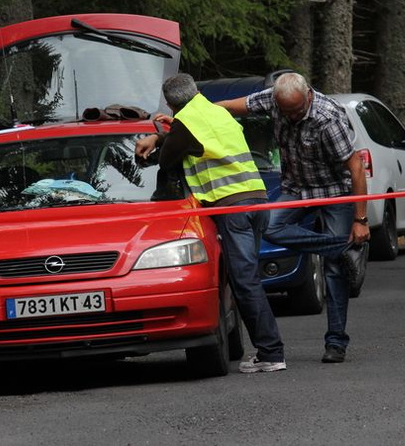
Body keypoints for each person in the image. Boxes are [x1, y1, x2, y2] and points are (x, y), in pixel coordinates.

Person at [135, 73, 286, 374]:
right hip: (256, 200)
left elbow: (166, 161)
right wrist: (167, 132)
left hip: (232, 208)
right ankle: (263, 350)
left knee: (245, 282)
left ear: (170, 102)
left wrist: (161, 135)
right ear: (195, 91)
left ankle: (271, 352)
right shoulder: (215, 111)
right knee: (246, 279)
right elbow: (193, 139)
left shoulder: (186, 122)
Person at [217, 71, 369, 364]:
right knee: (271, 226)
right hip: (297, 189)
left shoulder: (328, 118)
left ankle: (336, 342)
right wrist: (188, 116)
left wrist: (360, 220)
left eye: (297, 110)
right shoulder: (274, 100)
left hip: (336, 192)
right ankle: (340, 247)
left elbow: (357, 167)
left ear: (309, 95)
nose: (293, 116)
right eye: (286, 112)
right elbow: (228, 106)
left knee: (335, 271)